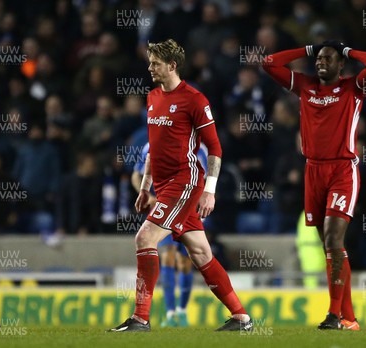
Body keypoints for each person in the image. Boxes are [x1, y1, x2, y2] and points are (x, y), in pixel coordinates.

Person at [109, 39, 252, 332]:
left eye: (155, 63)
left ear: (172, 66)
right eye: (149, 62)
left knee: (144, 239)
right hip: (163, 186)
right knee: (201, 253)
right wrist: (145, 187)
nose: (150, 68)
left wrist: (210, 190)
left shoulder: (195, 100)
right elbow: (153, 149)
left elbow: (215, 148)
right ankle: (242, 318)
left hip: (186, 183)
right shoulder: (152, 98)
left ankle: (140, 318)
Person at [262, 40, 366, 330]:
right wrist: (307, 49)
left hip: (342, 170)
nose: (321, 62)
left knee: (332, 240)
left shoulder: (354, 88)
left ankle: (333, 314)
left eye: (328, 58)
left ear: (340, 65)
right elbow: (269, 63)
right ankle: (350, 318)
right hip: (313, 171)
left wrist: (347, 50)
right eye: (318, 58)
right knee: (330, 246)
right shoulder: (305, 86)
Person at [131, 142, 208, 327]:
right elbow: (136, 174)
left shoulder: (200, 148)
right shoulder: (151, 145)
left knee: (185, 262)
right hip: (165, 207)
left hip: (189, 208)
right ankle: (170, 312)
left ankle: (181, 311)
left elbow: (206, 179)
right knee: (167, 256)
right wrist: (147, 195)